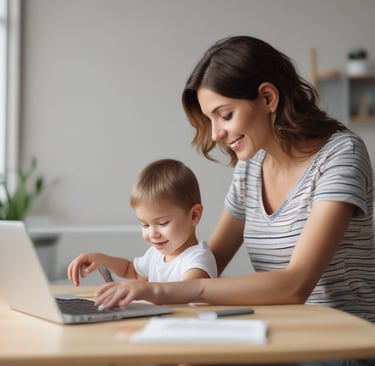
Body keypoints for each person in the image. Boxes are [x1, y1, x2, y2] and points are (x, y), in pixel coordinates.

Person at [93, 36, 375, 365]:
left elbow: (295, 285)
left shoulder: (341, 155)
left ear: (268, 98)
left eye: (224, 115)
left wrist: (160, 292)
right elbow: (203, 263)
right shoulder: (251, 167)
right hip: (279, 337)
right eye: (210, 119)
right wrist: (136, 285)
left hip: (340, 345)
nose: (215, 134)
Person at [67, 158, 217, 285]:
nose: (152, 234)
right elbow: (130, 270)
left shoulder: (197, 259)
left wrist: (143, 291)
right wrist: (103, 260)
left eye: (163, 223)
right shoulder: (155, 254)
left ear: (194, 216)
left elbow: (188, 290)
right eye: (145, 224)